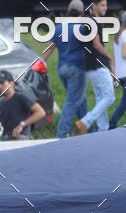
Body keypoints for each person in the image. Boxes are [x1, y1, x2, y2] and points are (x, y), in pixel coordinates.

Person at [41, 0, 88, 139]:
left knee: (81, 99)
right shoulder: (82, 28)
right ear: (81, 12)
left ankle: (88, 130)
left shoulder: (59, 27)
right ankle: (62, 134)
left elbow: (49, 49)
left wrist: (39, 62)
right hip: (77, 69)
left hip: (62, 69)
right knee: (72, 101)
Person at [73, 0, 116, 135]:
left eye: (106, 5)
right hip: (98, 64)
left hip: (89, 65)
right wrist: (110, 58)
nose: (105, 8)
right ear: (94, 6)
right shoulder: (94, 22)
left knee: (100, 97)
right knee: (109, 97)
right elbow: (97, 45)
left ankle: (103, 130)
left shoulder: (88, 21)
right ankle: (85, 122)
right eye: (102, 5)